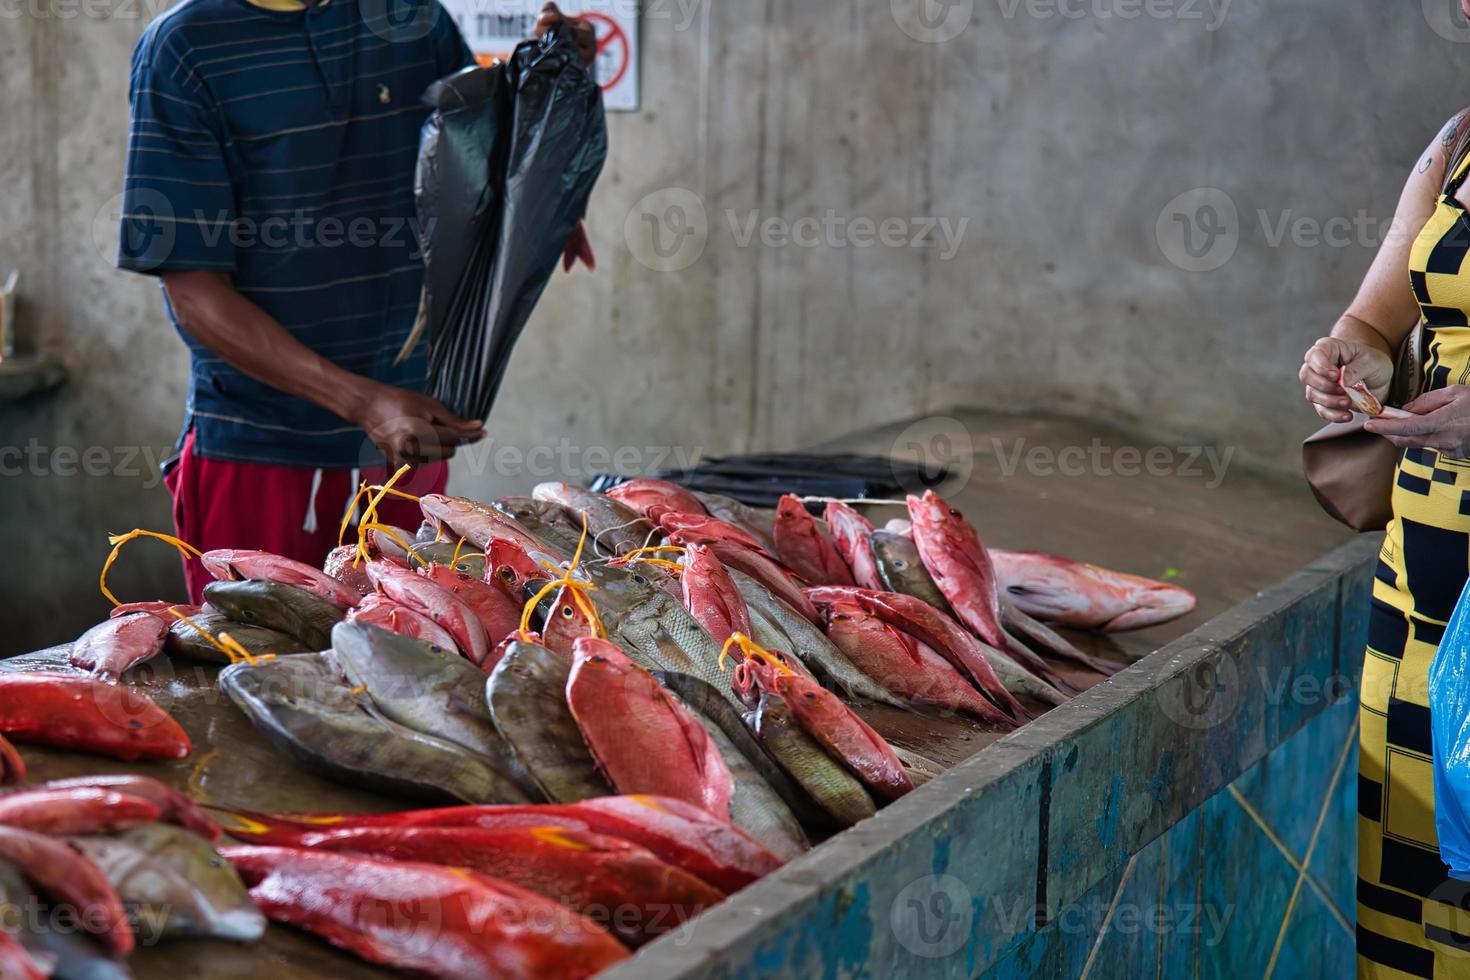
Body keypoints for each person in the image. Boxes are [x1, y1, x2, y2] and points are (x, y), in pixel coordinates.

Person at [115, 0, 592, 602]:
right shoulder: (183, 49)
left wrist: (552, 94)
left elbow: (476, 170)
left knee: (410, 672)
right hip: (260, 454)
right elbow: (195, 293)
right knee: (259, 675)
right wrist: (363, 403)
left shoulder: (412, 18)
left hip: (405, 444)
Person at [1301, 72, 1470, 980]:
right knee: (1411, 887)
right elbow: (1377, 313)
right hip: (1425, 584)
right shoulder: (1458, 141)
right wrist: (1347, 359)